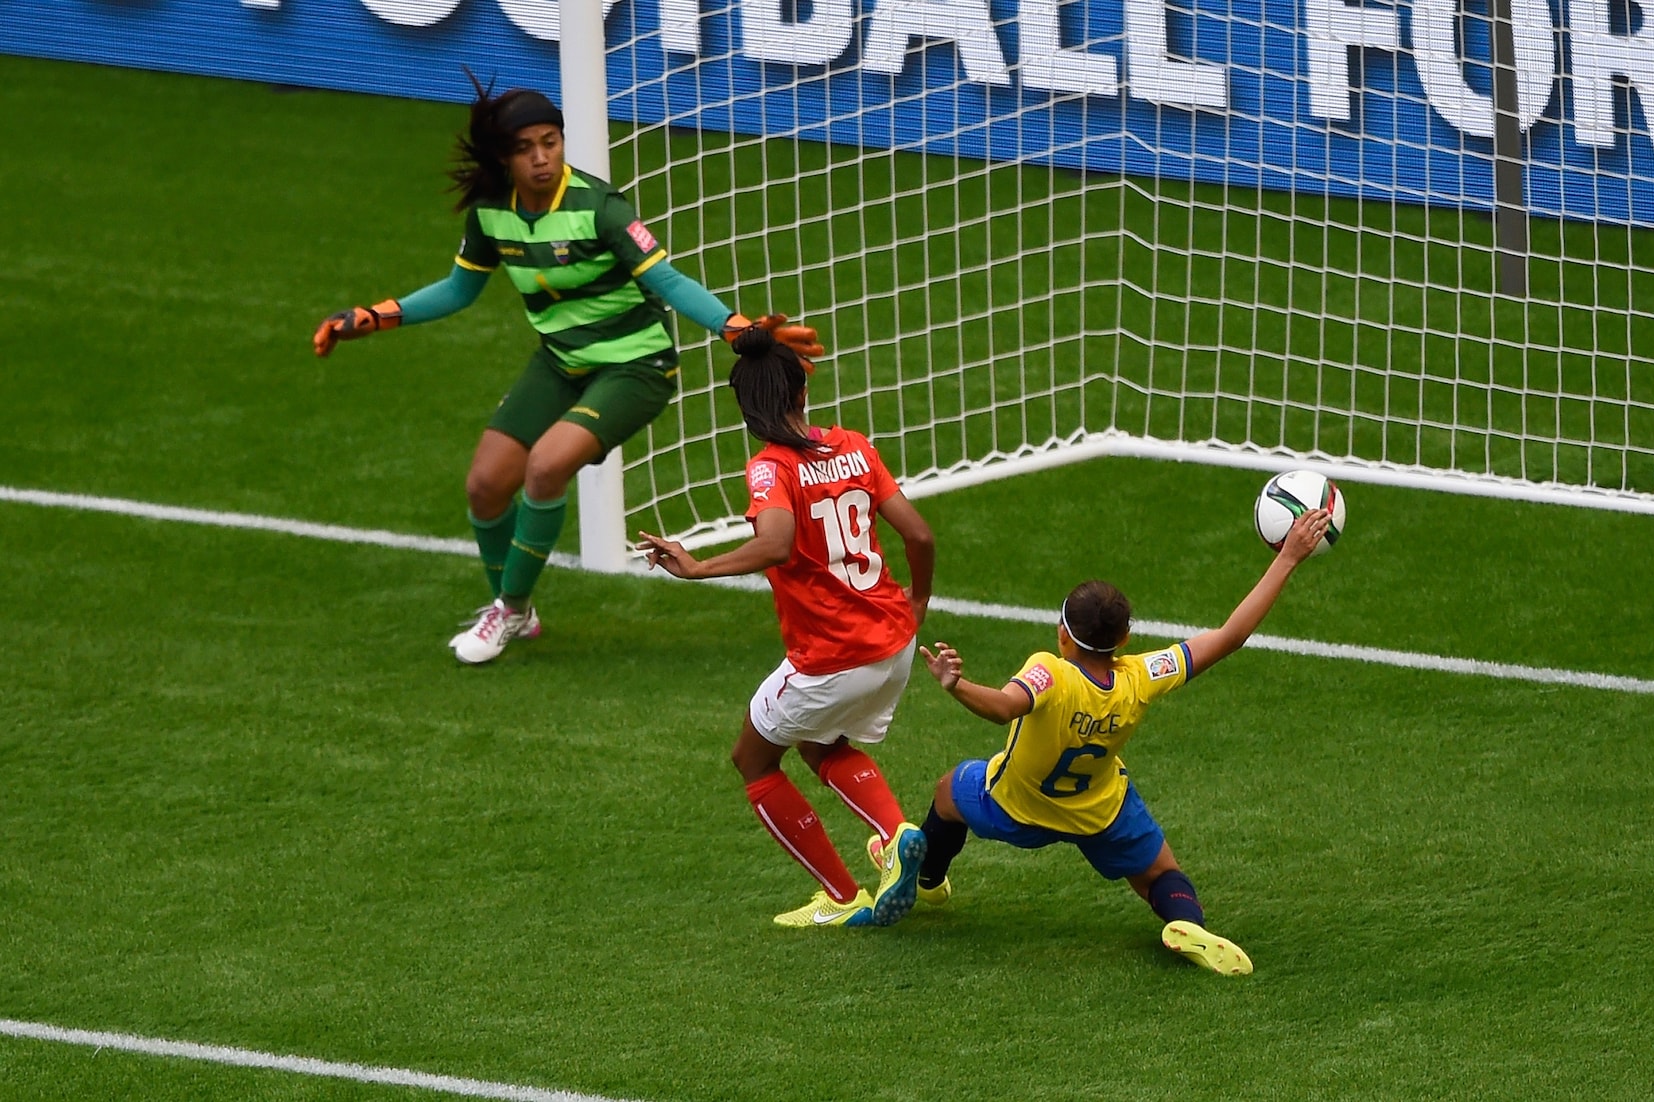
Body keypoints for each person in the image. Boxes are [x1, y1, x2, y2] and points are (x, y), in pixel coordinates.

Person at [311, 78, 819, 664]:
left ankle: (507, 608)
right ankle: (517, 610)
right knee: (484, 485)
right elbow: (458, 290)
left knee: (546, 467)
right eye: (527, 147)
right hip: (561, 361)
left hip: (637, 365)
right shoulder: (492, 215)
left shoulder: (599, 207)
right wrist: (373, 317)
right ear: (505, 156)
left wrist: (734, 326)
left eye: (551, 141)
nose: (542, 156)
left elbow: (667, 280)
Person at [913, 508, 1332, 974]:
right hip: (1102, 811)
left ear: (1062, 634)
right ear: (1126, 638)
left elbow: (1003, 707)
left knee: (948, 791)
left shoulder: (1050, 672)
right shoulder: (1141, 676)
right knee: (1159, 875)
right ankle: (1187, 922)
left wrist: (957, 686)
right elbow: (1231, 636)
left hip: (1017, 805)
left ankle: (928, 880)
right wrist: (1288, 558)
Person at [636, 327, 935, 928]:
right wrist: (918, 603)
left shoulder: (770, 468)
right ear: (802, 390)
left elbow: (774, 544)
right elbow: (920, 534)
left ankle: (843, 897)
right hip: (893, 641)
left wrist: (697, 567)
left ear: (747, 409)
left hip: (831, 655)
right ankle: (895, 834)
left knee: (753, 759)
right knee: (818, 741)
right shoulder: (854, 444)